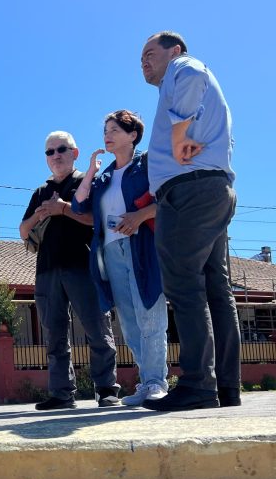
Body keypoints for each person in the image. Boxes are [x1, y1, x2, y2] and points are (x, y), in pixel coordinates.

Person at [140, 31, 240, 411]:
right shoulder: (195, 94)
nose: (144, 62)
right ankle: (225, 387)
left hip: (188, 194)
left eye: (150, 53)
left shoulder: (183, 67)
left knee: (185, 287)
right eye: (141, 59)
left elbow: (194, 73)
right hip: (212, 189)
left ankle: (198, 385)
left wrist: (179, 133)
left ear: (174, 51)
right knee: (217, 290)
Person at [72, 110, 168, 406]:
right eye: (106, 130)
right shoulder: (104, 177)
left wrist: (139, 216)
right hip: (111, 251)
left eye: (114, 129)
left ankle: (155, 382)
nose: (107, 135)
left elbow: (166, 199)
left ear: (133, 135)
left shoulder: (149, 165)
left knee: (149, 312)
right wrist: (90, 171)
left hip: (143, 246)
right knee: (128, 320)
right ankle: (145, 382)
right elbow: (78, 207)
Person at [20, 131, 120, 410]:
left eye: (61, 149)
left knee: (98, 330)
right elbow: (23, 230)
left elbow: (97, 220)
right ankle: (62, 394)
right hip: (47, 271)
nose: (55, 156)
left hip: (84, 267)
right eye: (49, 152)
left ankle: (107, 390)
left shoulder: (87, 182)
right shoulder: (40, 192)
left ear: (75, 153)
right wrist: (40, 215)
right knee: (54, 336)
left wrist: (62, 209)